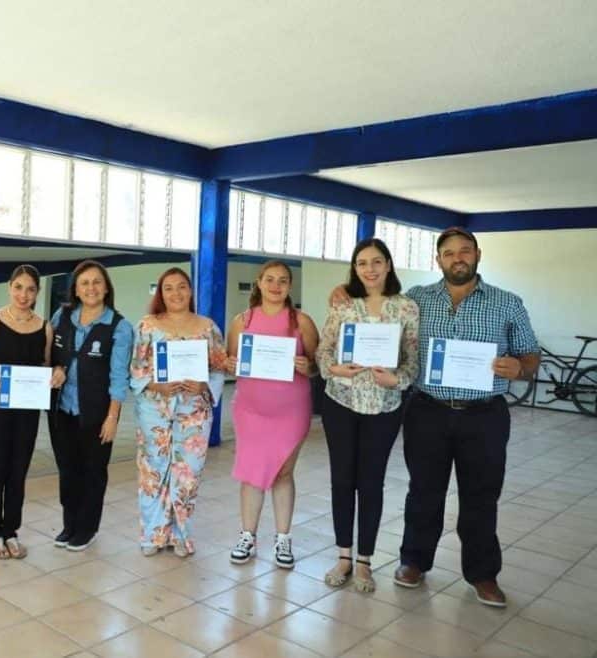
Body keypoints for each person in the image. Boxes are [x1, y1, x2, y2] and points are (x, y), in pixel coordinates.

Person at [333, 227, 539, 607]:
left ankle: (482, 574)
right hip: (428, 410)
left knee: (481, 495)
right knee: (424, 491)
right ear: (437, 259)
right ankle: (414, 561)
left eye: (464, 251)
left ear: (478, 254)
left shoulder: (508, 303)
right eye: (448, 253)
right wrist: (345, 293)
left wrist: (519, 367)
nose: (457, 258)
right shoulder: (415, 300)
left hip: (485, 415)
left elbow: (530, 355)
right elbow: (377, 314)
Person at [315, 239, 419, 592]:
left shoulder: (406, 308)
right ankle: (344, 555)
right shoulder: (344, 305)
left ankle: (364, 562)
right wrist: (334, 369)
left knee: (371, 483)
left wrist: (398, 380)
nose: (369, 269)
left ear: (388, 265)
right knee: (342, 480)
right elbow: (322, 352)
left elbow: (412, 360)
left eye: (377, 262)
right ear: (354, 268)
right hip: (340, 403)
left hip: (384, 407)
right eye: (362, 263)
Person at [225, 260, 318, 568]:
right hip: (250, 410)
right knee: (251, 472)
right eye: (270, 280)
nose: (276, 286)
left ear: (289, 286)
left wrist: (310, 367)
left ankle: (283, 538)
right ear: (259, 283)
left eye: (282, 281)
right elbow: (232, 361)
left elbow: (318, 364)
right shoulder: (242, 320)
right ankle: (247, 535)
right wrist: (228, 364)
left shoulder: (301, 321)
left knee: (283, 472)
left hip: (290, 410)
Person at [130, 267, 228, 557]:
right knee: (154, 470)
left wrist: (203, 384)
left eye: (182, 286)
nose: (176, 293)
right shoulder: (147, 326)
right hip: (155, 409)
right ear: (161, 293)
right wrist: (155, 384)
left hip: (194, 412)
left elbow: (219, 367)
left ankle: (181, 535)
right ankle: (153, 534)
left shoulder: (207, 327)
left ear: (190, 290)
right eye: (169, 288)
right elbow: (136, 367)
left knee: (188, 473)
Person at [0, 265, 63, 559]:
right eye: (19, 287)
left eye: (31, 289)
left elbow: (48, 364)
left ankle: (11, 531)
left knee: (18, 472)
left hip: (27, 412)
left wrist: (57, 373)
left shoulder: (45, 327)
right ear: (10, 287)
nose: (24, 294)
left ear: (38, 292)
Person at [48, 260, 133, 551]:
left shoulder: (119, 327)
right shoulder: (62, 315)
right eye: (84, 283)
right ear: (76, 289)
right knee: (67, 470)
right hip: (62, 411)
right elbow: (46, 354)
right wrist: (53, 369)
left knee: (93, 472)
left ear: (106, 287)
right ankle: (69, 524)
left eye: (97, 282)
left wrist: (113, 417)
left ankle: (86, 528)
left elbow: (119, 378)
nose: (91, 288)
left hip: (97, 413)